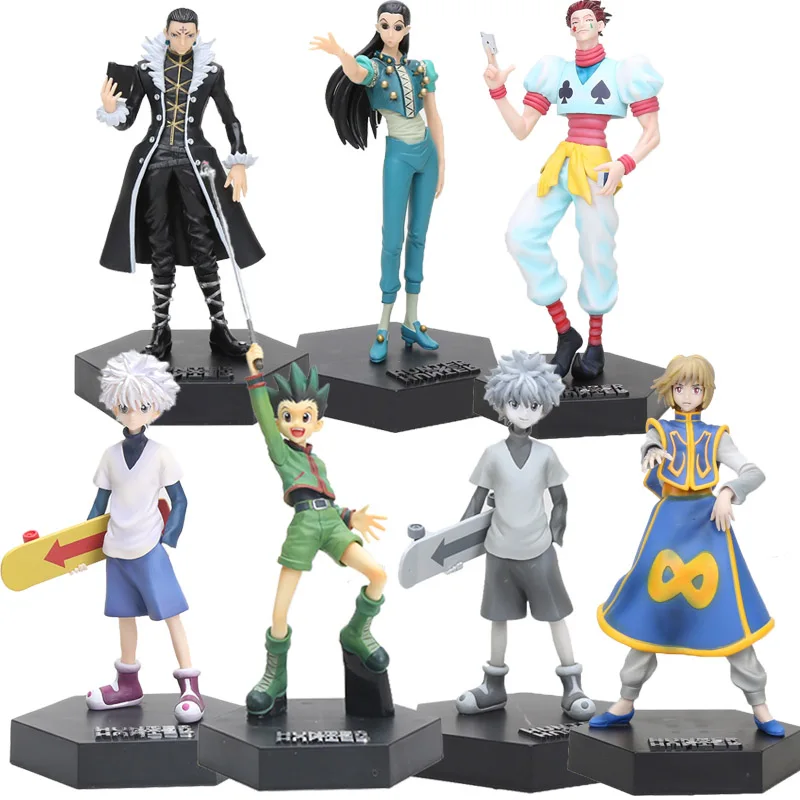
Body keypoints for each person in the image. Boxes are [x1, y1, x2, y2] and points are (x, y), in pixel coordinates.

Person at [591, 355, 784, 737]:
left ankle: (759, 704)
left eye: (695, 388)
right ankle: (626, 699)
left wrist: (728, 492)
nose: (687, 395)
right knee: (649, 608)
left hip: (710, 527)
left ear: (705, 392)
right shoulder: (661, 430)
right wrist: (651, 453)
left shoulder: (716, 436)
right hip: (668, 527)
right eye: (679, 387)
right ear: (670, 390)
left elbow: (753, 471)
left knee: (728, 610)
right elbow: (650, 447)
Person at [484, 2, 662, 379]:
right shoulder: (555, 71)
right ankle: (566, 333)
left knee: (597, 248)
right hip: (562, 162)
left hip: (598, 167)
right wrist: (498, 92)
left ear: (601, 26)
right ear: (569, 29)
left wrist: (624, 163)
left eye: (588, 19)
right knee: (520, 233)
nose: (581, 24)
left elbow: (652, 133)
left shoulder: (623, 72)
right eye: (575, 21)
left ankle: (595, 344)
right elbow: (522, 128)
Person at [97, 7, 264, 360]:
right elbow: (128, 119)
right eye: (176, 33)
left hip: (195, 164)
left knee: (203, 242)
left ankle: (219, 329)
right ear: (166, 32)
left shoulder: (211, 72)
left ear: (197, 34)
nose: (183, 40)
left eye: (189, 34)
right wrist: (112, 108)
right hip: (155, 161)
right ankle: (161, 331)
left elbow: (230, 117)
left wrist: (238, 160)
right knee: (159, 243)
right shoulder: (145, 70)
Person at [244, 343, 388, 716]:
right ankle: (274, 677)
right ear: (279, 421)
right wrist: (255, 376)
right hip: (305, 526)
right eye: (287, 415)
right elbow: (265, 423)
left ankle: (356, 632)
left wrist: (350, 516)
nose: (296, 423)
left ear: (317, 423)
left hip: (332, 524)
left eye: (305, 416)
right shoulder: (281, 452)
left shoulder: (318, 462)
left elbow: (327, 499)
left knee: (377, 574)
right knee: (280, 612)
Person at [456, 351, 595, 720]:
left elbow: (560, 498)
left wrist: (557, 529)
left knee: (556, 617)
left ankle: (572, 684)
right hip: (500, 551)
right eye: (516, 403)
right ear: (502, 403)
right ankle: (493, 685)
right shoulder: (492, 454)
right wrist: (454, 544)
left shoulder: (546, 454)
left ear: (544, 406)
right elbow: (476, 501)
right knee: (497, 618)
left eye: (532, 405)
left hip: (539, 552)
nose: (523, 412)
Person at [312, 2, 445, 363]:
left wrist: (442, 163)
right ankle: (384, 324)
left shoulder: (421, 68)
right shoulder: (374, 68)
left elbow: (434, 117)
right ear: (377, 27)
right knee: (392, 240)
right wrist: (341, 53)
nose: (390, 32)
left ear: (407, 30)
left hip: (427, 155)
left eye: (397, 26)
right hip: (398, 157)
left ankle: (412, 320)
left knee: (419, 236)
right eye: (384, 25)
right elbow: (356, 73)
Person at [85, 351, 203, 724]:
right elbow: (98, 506)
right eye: (124, 405)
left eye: (141, 405)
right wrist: (80, 550)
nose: (132, 413)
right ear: (113, 406)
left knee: (171, 615)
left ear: (156, 407)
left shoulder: (161, 455)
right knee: (124, 615)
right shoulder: (109, 456)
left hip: (149, 549)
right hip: (116, 550)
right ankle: (128, 684)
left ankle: (190, 686)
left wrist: (167, 538)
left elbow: (180, 499)